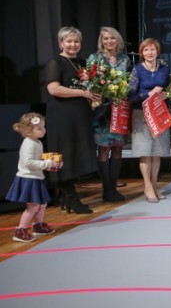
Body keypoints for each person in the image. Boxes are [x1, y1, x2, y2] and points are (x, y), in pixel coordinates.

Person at [45, 26, 99, 214]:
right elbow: (53, 89)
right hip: (61, 115)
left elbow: (92, 87)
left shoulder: (83, 63)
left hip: (80, 114)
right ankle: (71, 197)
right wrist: (83, 93)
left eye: (76, 41)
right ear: (61, 43)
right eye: (69, 41)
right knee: (63, 154)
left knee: (76, 155)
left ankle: (67, 196)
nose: (73, 45)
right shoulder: (55, 62)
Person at [87, 26, 131, 202]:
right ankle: (106, 189)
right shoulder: (95, 58)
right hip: (102, 111)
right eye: (105, 38)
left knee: (118, 147)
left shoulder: (124, 59)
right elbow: (90, 82)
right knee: (104, 148)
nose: (109, 41)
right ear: (101, 41)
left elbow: (129, 81)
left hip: (120, 109)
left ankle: (113, 187)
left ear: (118, 40)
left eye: (112, 38)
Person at [6, 113, 61, 242]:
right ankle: (20, 231)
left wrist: (54, 163)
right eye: (39, 128)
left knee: (42, 204)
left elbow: (39, 160)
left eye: (44, 127)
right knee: (33, 207)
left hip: (36, 178)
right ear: (28, 131)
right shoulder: (28, 143)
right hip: (28, 179)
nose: (44, 130)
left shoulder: (37, 142)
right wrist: (48, 163)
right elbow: (28, 162)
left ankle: (38, 226)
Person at [128, 38, 171, 203]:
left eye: (152, 49)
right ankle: (147, 186)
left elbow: (169, 89)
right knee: (145, 153)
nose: (149, 52)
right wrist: (150, 94)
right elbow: (131, 95)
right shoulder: (137, 69)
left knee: (157, 153)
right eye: (146, 50)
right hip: (142, 114)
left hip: (160, 113)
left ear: (157, 51)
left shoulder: (164, 69)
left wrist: (166, 94)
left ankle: (154, 185)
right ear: (141, 53)